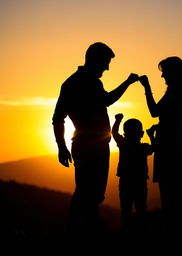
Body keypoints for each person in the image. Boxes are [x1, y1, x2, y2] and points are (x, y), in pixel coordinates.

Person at [52, 42, 139, 237]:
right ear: (95, 60)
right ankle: (79, 233)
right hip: (90, 147)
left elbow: (58, 118)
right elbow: (106, 100)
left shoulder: (73, 83)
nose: (107, 68)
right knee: (87, 193)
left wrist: (62, 147)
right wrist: (127, 82)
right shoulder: (84, 82)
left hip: (88, 145)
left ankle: (81, 232)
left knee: (89, 193)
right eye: (105, 63)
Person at [138, 56, 182, 235]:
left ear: (172, 73)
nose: (162, 77)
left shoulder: (176, 91)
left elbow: (155, 112)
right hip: (175, 140)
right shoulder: (178, 90)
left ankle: (174, 232)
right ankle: (178, 230)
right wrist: (163, 125)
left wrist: (147, 88)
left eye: (164, 73)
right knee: (177, 189)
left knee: (171, 191)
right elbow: (178, 119)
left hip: (171, 144)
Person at [112, 113, 154, 233]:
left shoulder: (123, 144)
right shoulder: (144, 148)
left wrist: (118, 120)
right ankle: (141, 233)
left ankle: (127, 234)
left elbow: (114, 133)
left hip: (125, 182)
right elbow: (155, 147)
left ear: (125, 134)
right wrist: (151, 136)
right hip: (140, 182)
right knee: (141, 210)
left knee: (126, 211)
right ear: (141, 134)